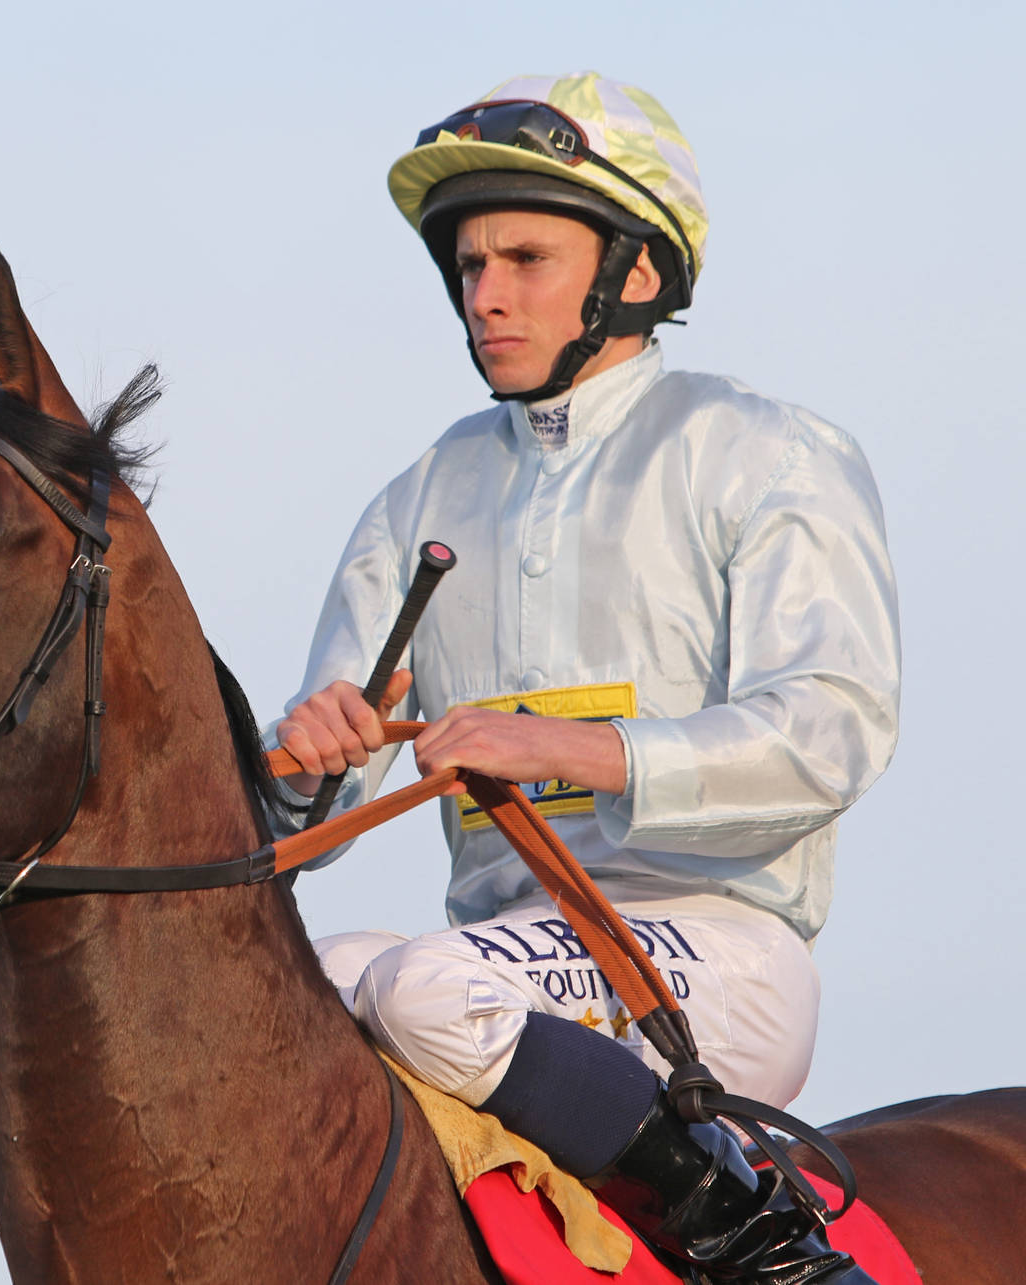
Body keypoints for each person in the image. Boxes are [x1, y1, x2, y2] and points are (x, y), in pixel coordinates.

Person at [271, 73, 899, 1284]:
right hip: (500, 967)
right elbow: (312, 823)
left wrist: (558, 748)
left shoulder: (767, 449)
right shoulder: (417, 497)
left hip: (718, 955)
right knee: (302, 980)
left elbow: (835, 728)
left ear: (638, 273)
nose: (485, 296)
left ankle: (748, 1219)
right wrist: (303, 762)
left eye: (525, 258)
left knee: (418, 989)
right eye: (467, 267)